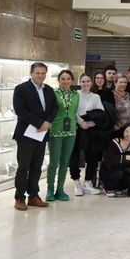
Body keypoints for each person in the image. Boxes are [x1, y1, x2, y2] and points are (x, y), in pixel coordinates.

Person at [12, 62, 57, 211]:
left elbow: (54, 108)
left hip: (42, 134)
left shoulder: (49, 90)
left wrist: (48, 122)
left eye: (43, 73)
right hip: (26, 134)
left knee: (37, 166)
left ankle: (33, 196)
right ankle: (19, 198)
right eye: (38, 73)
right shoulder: (21, 89)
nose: (40, 76)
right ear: (31, 73)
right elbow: (20, 110)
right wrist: (39, 123)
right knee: (23, 167)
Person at [45, 70, 80, 202]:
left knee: (65, 161)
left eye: (68, 79)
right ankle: (50, 189)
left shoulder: (76, 95)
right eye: (63, 79)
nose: (65, 81)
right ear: (59, 80)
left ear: (72, 80)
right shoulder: (53, 94)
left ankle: (60, 189)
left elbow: (74, 112)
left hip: (71, 131)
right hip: (56, 129)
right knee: (54, 161)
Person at [72, 73, 106, 196]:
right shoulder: (75, 95)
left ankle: (87, 183)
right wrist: (81, 122)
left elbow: (101, 113)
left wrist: (89, 123)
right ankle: (76, 182)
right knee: (74, 156)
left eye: (88, 81)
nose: (86, 84)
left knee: (92, 156)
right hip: (77, 128)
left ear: (91, 83)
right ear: (80, 83)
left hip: (91, 130)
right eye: (83, 81)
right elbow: (72, 111)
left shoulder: (96, 97)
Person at [100, 124, 130, 197]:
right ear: (123, 132)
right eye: (126, 131)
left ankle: (117, 188)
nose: (129, 134)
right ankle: (107, 188)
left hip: (121, 170)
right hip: (108, 171)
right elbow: (109, 160)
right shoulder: (115, 142)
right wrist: (125, 157)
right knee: (119, 173)